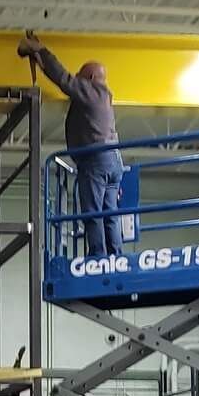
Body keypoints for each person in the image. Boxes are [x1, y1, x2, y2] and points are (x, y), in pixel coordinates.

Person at [17, 32, 124, 259]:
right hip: (113, 159)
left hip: (95, 160)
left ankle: (98, 257)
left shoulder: (92, 91)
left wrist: (40, 50)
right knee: (110, 213)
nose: (77, 78)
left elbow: (64, 79)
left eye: (81, 76)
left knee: (93, 212)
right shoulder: (104, 98)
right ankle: (115, 257)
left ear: (92, 77)